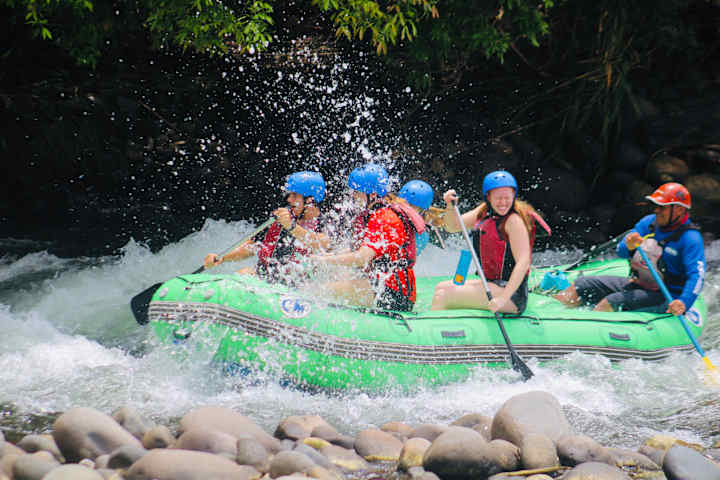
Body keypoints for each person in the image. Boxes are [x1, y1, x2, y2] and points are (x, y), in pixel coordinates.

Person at [553, 182, 705, 314]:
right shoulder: (649, 223)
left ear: (678, 210)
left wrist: (683, 302)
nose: (656, 210)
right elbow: (621, 251)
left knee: (611, 301)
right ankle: (550, 318)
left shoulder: (690, 239)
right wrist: (629, 246)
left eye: (662, 207)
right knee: (582, 285)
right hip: (638, 284)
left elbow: (697, 277)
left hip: (667, 295)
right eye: (656, 206)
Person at [431, 171, 550, 313]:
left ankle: (433, 332)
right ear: (488, 197)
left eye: (507, 198)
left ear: (514, 196)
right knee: (440, 287)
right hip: (492, 284)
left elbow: (523, 262)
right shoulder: (484, 212)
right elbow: (452, 227)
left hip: (511, 294)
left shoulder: (514, 221)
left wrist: (502, 299)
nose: (503, 203)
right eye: (498, 198)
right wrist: (450, 207)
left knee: (444, 296)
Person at [312, 163, 425, 311]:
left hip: (394, 293)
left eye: (357, 192)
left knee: (321, 290)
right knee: (331, 279)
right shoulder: (370, 215)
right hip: (378, 283)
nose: (352, 196)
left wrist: (324, 260)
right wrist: (329, 256)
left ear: (372, 195)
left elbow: (361, 258)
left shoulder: (386, 218)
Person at [203, 171, 330, 285]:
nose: (289, 199)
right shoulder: (281, 217)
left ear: (310, 200)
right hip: (268, 278)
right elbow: (251, 247)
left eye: (295, 195)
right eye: (290, 194)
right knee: (244, 273)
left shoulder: (326, 222)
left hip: (300, 286)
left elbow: (321, 244)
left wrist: (291, 227)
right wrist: (223, 258)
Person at [397, 180, 434, 255]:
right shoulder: (389, 215)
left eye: (410, 206)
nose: (405, 210)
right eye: (404, 205)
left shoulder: (421, 236)